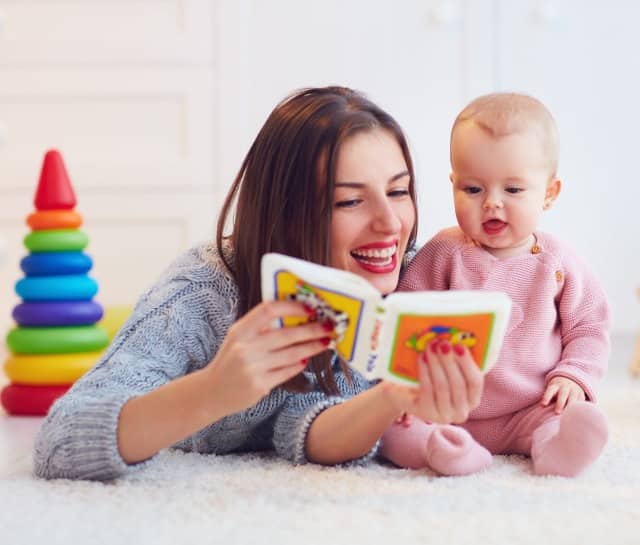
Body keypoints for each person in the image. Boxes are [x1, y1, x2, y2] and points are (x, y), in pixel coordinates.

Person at [32, 86, 485, 481]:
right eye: (349, 200)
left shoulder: (422, 277)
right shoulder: (205, 292)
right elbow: (60, 441)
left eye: (398, 191)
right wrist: (212, 391)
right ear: (286, 210)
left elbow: (307, 426)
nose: (390, 223)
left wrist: (395, 397)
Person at [379, 93, 611, 477]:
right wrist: (402, 385)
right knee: (393, 430)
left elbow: (589, 324)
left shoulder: (556, 262)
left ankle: (556, 448)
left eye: (513, 190)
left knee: (559, 415)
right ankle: (446, 451)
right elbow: (403, 321)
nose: (492, 204)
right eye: (473, 189)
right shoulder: (443, 252)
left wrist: (574, 375)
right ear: (454, 184)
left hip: (529, 406)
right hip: (445, 408)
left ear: (549, 193)